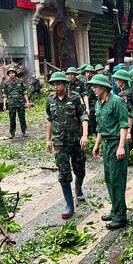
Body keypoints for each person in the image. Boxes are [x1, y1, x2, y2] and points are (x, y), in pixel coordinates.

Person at [46, 72, 89, 220]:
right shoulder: (50, 100)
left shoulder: (75, 97)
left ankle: (78, 189)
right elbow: (50, 120)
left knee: (80, 170)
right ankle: (69, 205)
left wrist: (84, 135)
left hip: (76, 141)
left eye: (58, 84)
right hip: (60, 142)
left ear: (65, 84)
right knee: (64, 174)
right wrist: (48, 139)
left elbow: (83, 116)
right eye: (54, 84)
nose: (56, 87)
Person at [90, 73, 130, 230]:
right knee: (109, 178)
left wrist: (121, 146)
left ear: (104, 87)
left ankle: (120, 217)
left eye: (96, 86)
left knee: (117, 180)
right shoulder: (99, 103)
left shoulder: (117, 101)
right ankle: (115, 210)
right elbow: (100, 127)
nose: (93, 89)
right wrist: (97, 145)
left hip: (116, 143)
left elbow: (123, 125)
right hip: (107, 143)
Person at [1, 66, 31, 138]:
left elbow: (24, 92)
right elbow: (5, 95)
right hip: (11, 104)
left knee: (22, 118)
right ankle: (12, 133)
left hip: (20, 103)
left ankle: (24, 132)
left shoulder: (20, 81)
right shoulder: (6, 83)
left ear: (15, 74)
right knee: (12, 119)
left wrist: (27, 102)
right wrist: (4, 105)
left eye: (13, 73)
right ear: (8, 74)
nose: (11, 74)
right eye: (10, 73)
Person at [83, 65, 98, 135]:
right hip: (85, 106)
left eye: (90, 73)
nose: (88, 74)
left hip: (93, 106)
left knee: (94, 123)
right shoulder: (83, 82)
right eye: (87, 72)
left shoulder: (95, 83)